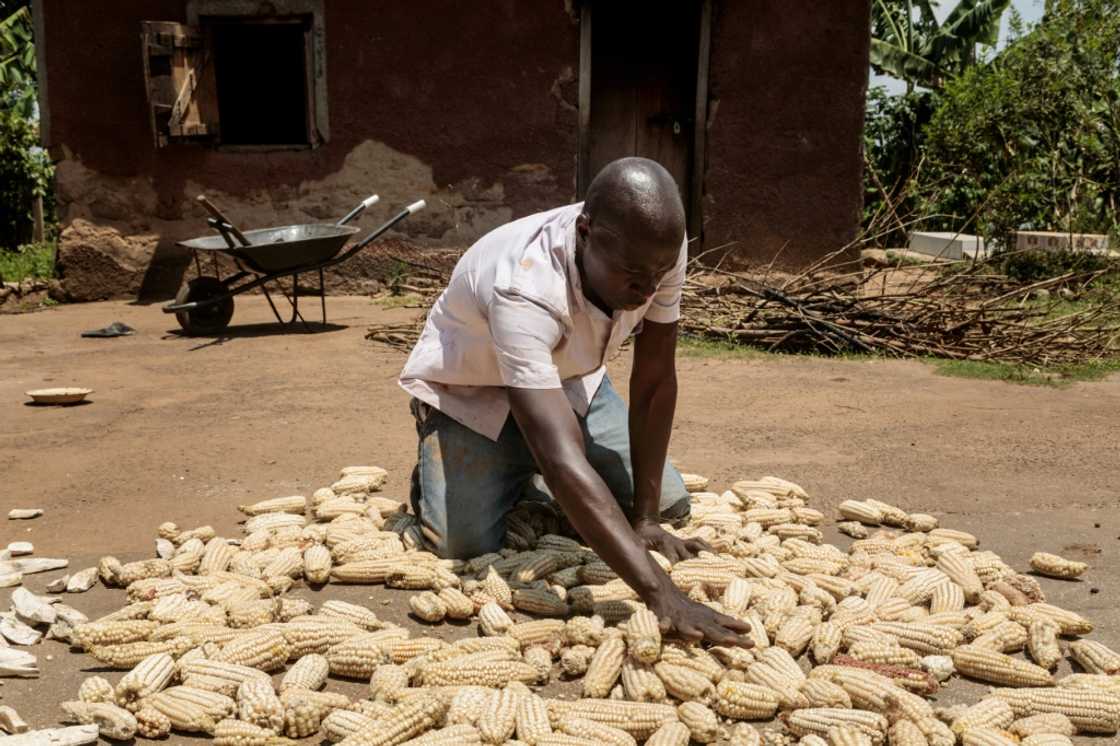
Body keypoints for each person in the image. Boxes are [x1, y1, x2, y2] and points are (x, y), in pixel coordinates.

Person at [399, 157, 750, 645]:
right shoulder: (524, 287)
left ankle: (520, 471)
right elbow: (561, 459)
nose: (649, 288)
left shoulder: (657, 248)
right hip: (471, 390)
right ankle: (448, 469)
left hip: (566, 378)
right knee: (463, 542)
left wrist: (646, 519)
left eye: (659, 272)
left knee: (670, 503)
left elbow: (654, 381)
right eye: (633, 274)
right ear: (585, 233)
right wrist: (662, 594)